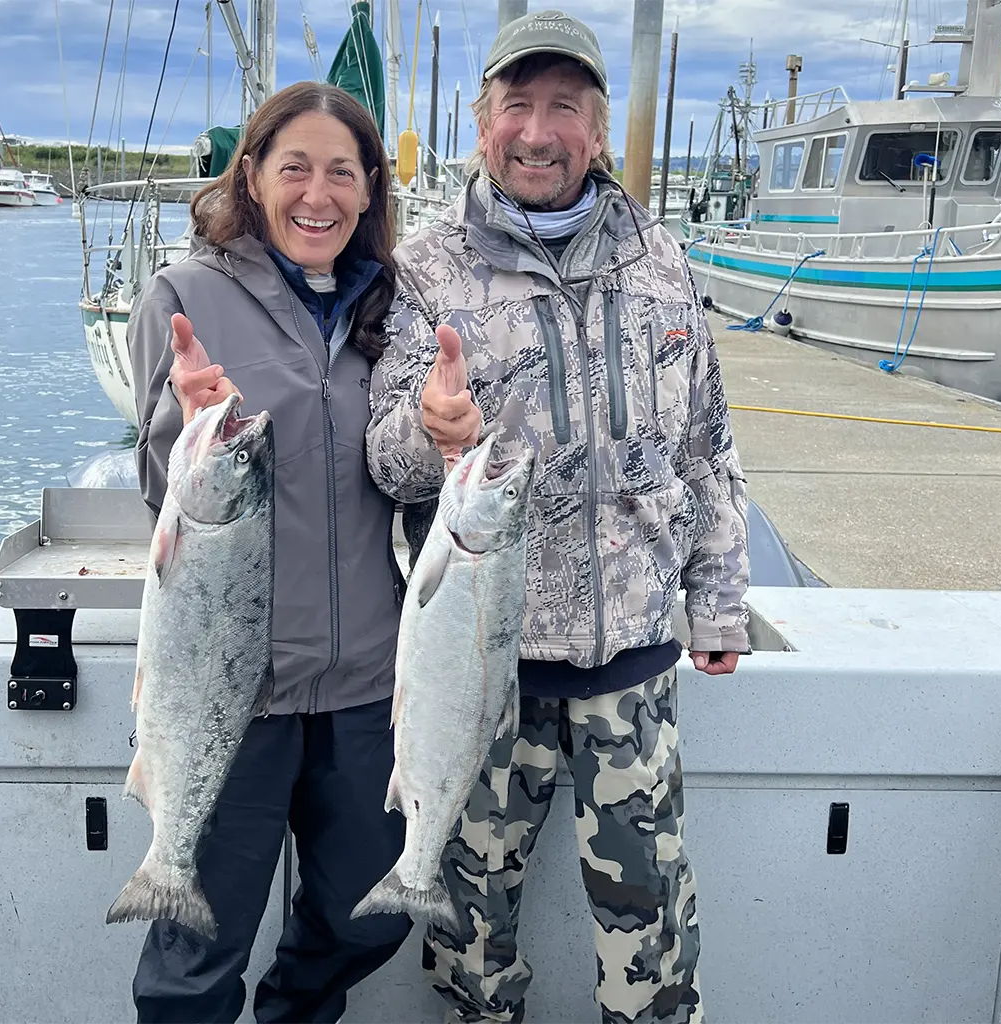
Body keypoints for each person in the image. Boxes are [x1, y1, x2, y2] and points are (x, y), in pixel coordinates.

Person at [365, 10, 750, 1024]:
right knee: (470, 922)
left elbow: (704, 440)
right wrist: (431, 428)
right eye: (516, 105)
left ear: (597, 126)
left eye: (564, 108)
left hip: (631, 659)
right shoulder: (424, 268)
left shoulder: (661, 259)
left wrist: (716, 601)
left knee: (651, 922)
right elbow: (385, 460)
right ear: (482, 116)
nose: (537, 132)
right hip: (477, 675)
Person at [127, 81, 412, 1024]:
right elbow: (161, 485)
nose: (316, 196)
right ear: (251, 175)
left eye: (342, 172)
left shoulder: (397, 305)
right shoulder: (185, 296)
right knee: (196, 952)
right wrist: (190, 420)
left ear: (371, 189)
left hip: (366, 688)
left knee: (367, 919)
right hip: (230, 693)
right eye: (295, 168)